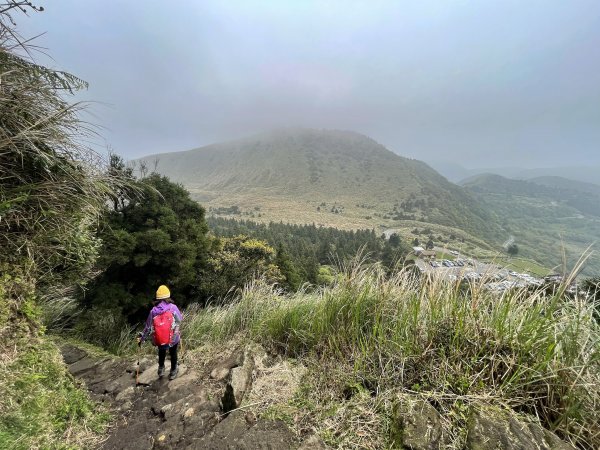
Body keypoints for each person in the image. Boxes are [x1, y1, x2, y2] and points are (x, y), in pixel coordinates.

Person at [138, 285, 182, 380]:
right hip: (173, 338)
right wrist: (177, 330)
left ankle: (161, 369)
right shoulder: (173, 307)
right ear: (168, 296)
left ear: (157, 298)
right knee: (173, 353)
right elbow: (179, 320)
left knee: (161, 351)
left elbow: (148, 328)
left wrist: (142, 339)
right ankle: (173, 371)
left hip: (159, 339)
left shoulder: (153, 311)